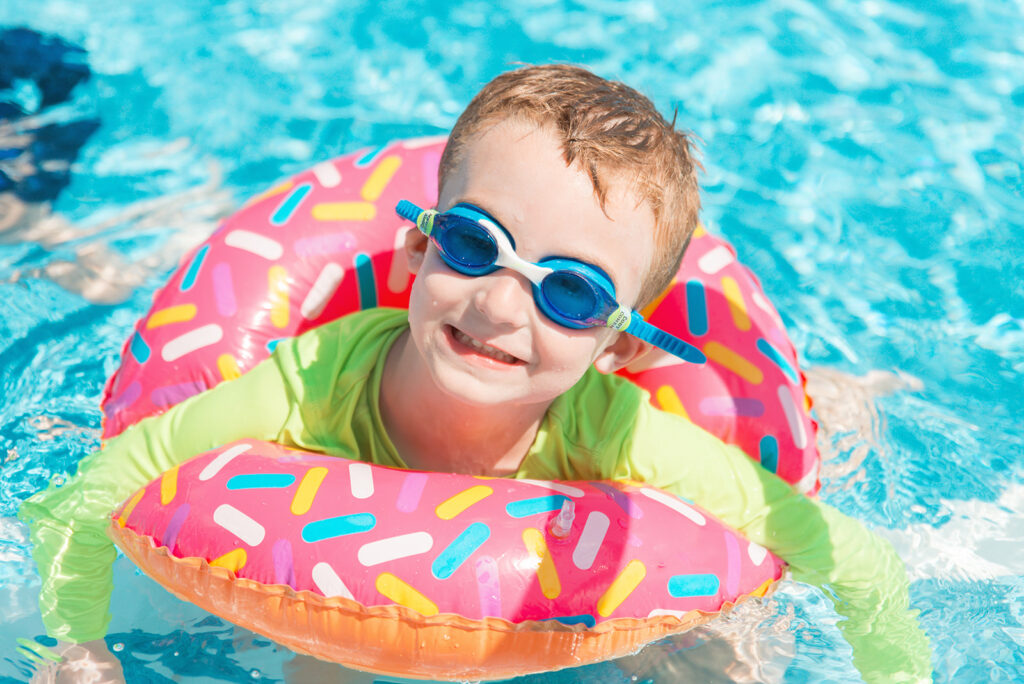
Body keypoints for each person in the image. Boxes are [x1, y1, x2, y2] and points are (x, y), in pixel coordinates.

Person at [21, 64, 932, 683]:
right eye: (471, 243)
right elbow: (81, 496)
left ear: (616, 349)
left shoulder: (619, 429)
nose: (499, 307)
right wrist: (79, 644)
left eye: (570, 295)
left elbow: (861, 564)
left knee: (722, 651)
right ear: (416, 249)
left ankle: (843, 400)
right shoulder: (306, 383)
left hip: (614, 523)